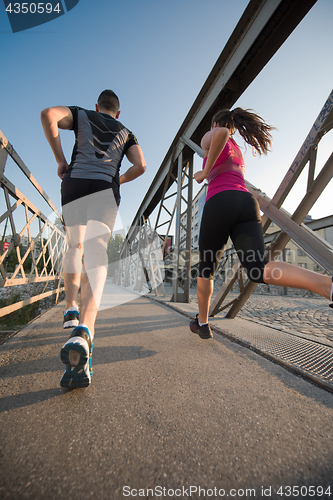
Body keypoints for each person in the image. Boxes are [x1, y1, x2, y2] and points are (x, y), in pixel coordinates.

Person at [190, 107, 333, 339]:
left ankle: (203, 322)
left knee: (206, 270)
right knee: (257, 267)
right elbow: (227, 136)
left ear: (214, 124)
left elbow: (221, 134)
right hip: (247, 204)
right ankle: (328, 286)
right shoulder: (237, 150)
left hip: (220, 203)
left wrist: (205, 171)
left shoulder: (216, 132)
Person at [41, 90, 146, 386]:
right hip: (105, 190)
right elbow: (141, 166)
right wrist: (119, 178)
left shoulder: (83, 114)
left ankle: (70, 306)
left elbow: (48, 114)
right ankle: (85, 330)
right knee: (96, 249)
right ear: (118, 112)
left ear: (97, 106)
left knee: (74, 244)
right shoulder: (127, 132)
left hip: (74, 183)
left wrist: (61, 161)